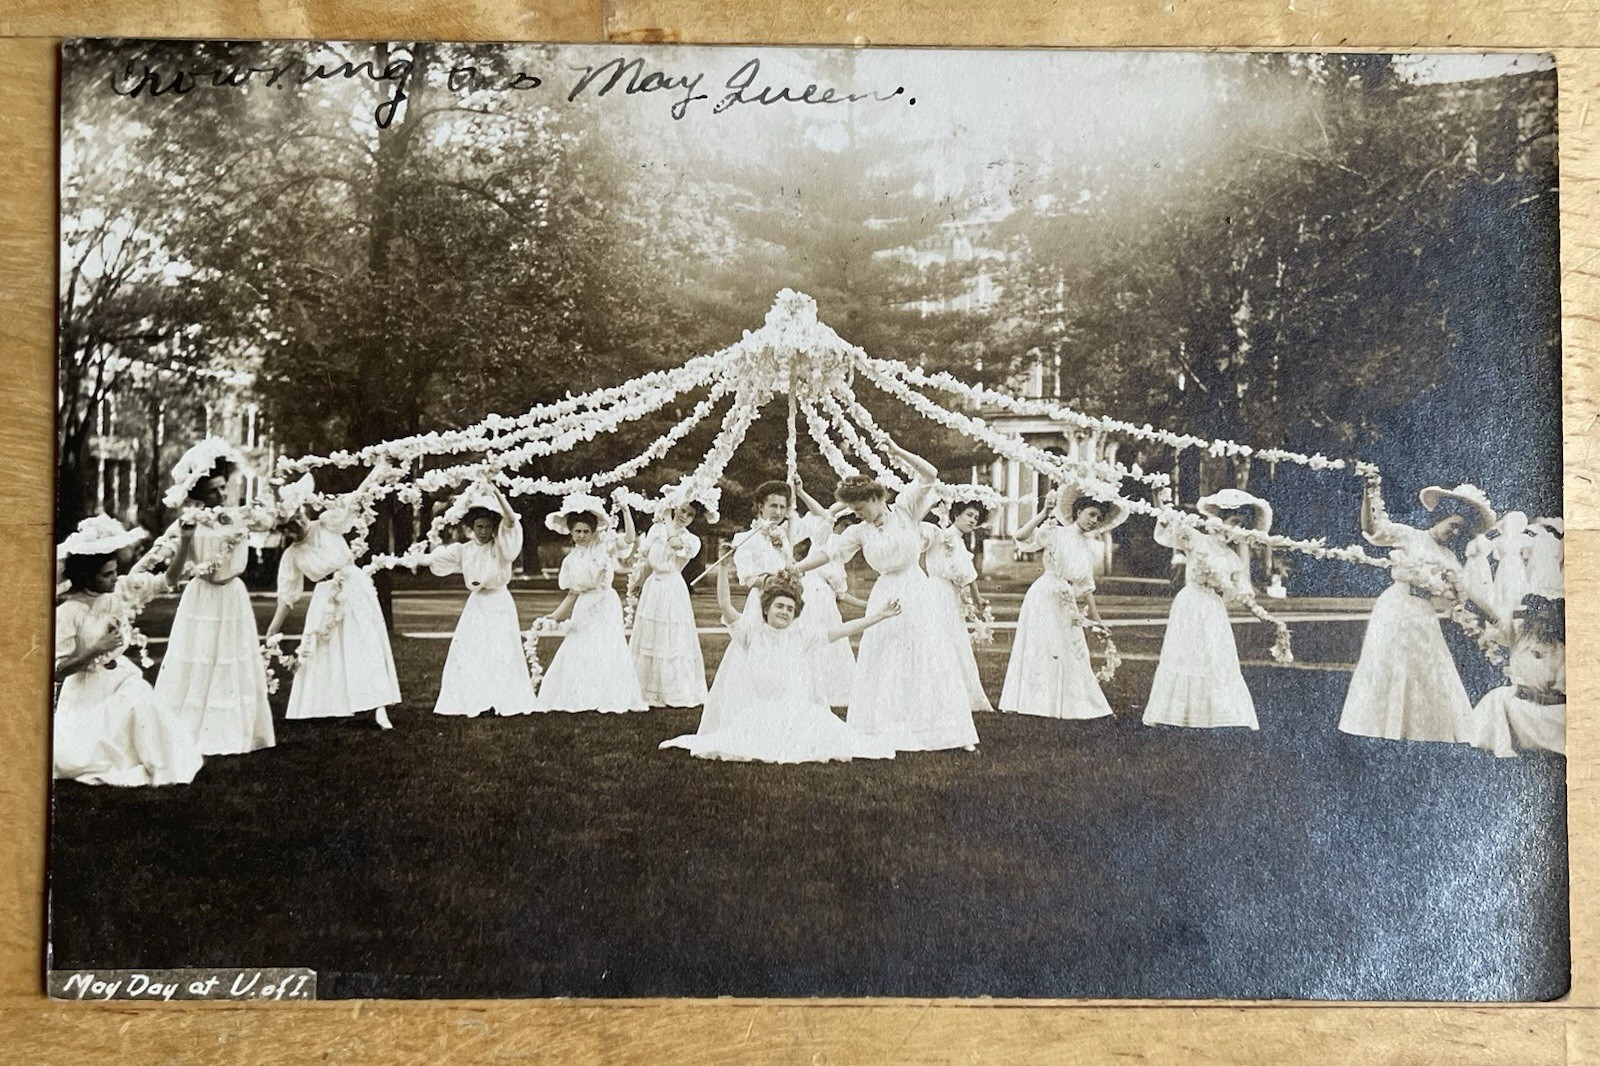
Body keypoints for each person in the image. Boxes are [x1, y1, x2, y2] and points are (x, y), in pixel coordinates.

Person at [795, 449, 981, 752]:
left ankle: (939, 730)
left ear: (875, 498)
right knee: (886, 656)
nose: (856, 513)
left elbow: (930, 475)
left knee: (926, 655)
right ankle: (889, 728)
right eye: (852, 509)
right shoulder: (859, 532)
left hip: (916, 590)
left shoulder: (905, 510)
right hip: (885, 593)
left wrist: (895, 451)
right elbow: (828, 554)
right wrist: (793, 568)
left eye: (859, 507)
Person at [659, 563, 898, 763]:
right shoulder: (750, 635)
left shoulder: (802, 638)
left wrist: (878, 616)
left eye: (790, 609)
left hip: (797, 709)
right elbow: (725, 605)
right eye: (779, 606)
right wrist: (723, 568)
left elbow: (841, 630)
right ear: (766, 608)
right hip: (759, 710)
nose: (784, 612)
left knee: (828, 739)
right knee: (745, 741)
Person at [1337, 476, 1499, 743]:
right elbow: (1372, 529)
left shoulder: (1449, 558)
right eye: (1454, 525)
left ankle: (1415, 731)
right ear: (1443, 516)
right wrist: (1368, 495)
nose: (1455, 533)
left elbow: (1469, 592)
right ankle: (1380, 730)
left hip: (1423, 614)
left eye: (1461, 531)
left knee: (1427, 668)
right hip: (1395, 607)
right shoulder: (1409, 535)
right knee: (1387, 663)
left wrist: (1496, 618)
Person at [54, 517, 205, 786]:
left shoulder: (121, 590)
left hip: (120, 676)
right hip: (87, 692)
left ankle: (159, 764)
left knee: (141, 699)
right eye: (106, 574)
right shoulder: (68, 612)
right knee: (84, 753)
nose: (114, 578)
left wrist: (186, 540)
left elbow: (169, 580)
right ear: (87, 576)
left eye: (114, 571)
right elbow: (56, 672)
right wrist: (96, 649)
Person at [153, 438, 276, 756]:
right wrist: (185, 540)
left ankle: (235, 729)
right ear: (198, 496)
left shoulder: (239, 517)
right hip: (202, 597)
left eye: (224, 488)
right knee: (201, 657)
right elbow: (171, 577)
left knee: (232, 663)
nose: (222, 495)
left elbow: (272, 520)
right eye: (213, 491)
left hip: (233, 597)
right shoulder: (188, 523)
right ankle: (194, 729)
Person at [263, 472, 400, 730]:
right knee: (324, 650)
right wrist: (273, 627)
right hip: (325, 595)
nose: (299, 526)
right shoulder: (292, 555)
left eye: (300, 518)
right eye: (290, 526)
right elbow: (287, 596)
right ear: (285, 532)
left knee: (365, 642)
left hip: (352, 586)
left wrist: (376, 472)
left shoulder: (326, 524)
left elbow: (355, 499)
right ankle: (328, 705)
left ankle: (378, 707)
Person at [1142, 489, 1270, 731]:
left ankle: (1215, 713)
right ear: (1219, 519)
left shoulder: (1233, 558)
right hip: (1190, 602)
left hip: (1212, 608)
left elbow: (1243, 591)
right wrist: (1158, 499)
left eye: (1240, 526)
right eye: (1232, 522)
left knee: (1213, 656)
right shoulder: (1196, 539)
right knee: (1184, 653)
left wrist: (1251, 604)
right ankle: (1176, 713)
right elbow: (1168, 526)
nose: (1234, 530)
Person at [998, 487, 1126, 720]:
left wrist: (1096, 619)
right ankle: (1038, 702)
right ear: (1078, 512)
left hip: (1067, 600)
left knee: (1074, 649)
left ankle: (1081, 704)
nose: (1094, 521)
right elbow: (1021, 537)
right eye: (1091, 514)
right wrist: (1043, 512)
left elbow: (1086, 586)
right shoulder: (1055, 533)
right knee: (1045, 647)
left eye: (1098, 517)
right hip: (1045, 594)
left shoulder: (1089, 547)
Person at [418, 481, 539, 717]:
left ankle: (500, 699)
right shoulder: (465, 550)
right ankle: (475, 698)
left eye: (486, 526)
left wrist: (496, 493)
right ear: (472, 528)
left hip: (499, 602)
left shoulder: (502, 547)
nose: (482, 531)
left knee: (500, 650)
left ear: (494, 528)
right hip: (477, 604)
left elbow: (512, 521)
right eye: (478, 526)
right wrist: (413, 558)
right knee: (472, 650)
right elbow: (436, 560)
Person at [697, 481, 800, 733]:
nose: (777, 512)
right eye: (772, 506)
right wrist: (772, 580)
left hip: (784, 603)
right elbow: (746, 578)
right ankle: (747, 719)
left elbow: (789, 566)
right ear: (759, 507)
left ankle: (781, 718)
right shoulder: (745, 539)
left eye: (782, 507)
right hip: (761, 604)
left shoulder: (783, 538)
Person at [535, 494, 648, 713]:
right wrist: (554, 616)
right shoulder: (570, 561)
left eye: (586, 531)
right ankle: (581, 693)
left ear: (593, 531)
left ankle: (607, 694)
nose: (582, 535)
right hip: (584, 605)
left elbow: (630, 540)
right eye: (577, 531)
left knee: (606, 646)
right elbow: (571, 593)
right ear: (571, 532)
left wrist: (625, 511)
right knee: (580, 645)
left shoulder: (603, 548)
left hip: (605, 601)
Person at [628, 499, 709, 709]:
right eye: (682, 510)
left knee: (670, 636)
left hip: (672, 587)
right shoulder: (656, 530)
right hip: (653, 586)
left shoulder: (691, 540)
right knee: (650, 633)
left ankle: (671, 689)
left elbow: (675, 544)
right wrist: (639, 581)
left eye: (689, 514)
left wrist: (666, 518)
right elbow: (650, 560)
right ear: (675, 508)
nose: (683, 516)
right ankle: (644, 687)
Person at [1463, 595, 1565, 758]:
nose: (1539, 627)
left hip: (1547, 708)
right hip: (1521, 703)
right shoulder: (1523, 641)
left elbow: (1561, 690)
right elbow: (1497, 630)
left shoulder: (1558, 650)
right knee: (1496, 698)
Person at [792, 484, 866, 708]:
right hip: (809, 594)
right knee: (809, 639)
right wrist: (803, 493)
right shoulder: (822, 540)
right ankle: (803, 687)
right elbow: (827, 513)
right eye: (844, 526)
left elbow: (841, 594)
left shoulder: (840, 556)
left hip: (825, 599)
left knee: (830, 640)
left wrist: (869, 605)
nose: (847, 532)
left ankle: (826, 690)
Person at [924, 497, 993, 713]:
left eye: (976, 517)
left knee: (954, 640)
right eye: (969, 515)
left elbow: (968, 575)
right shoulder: (941, 535)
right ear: (956, 515)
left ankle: (957, 694)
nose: (973, 520)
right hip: (935, 592)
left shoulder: (960, 541)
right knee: (937, 641)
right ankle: (934, 693)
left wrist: (978, 598)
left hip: (950, 596)